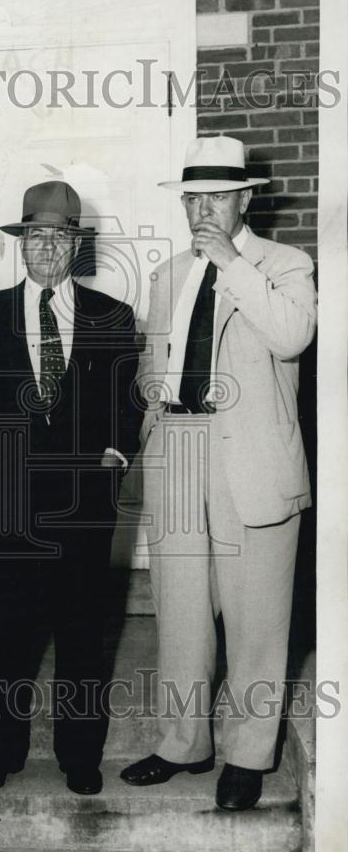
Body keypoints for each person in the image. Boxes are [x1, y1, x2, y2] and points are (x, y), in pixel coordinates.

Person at [120, 136, 317, 811]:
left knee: (257, 615)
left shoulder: (284, 263)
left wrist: (230, 263)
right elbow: (153, 360)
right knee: (178, 612)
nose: (199, 210)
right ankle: (182, 742)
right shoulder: (167, 273)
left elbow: (292, 336)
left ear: (241, 201)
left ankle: (247, 753)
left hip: (249, 456)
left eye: (213, 198)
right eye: (190, 198)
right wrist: (152, 420)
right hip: (176, 446)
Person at [0, 180, 140, 795]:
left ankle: (79, 755)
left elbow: (126, 402)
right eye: (36, 236)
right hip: (3, 497)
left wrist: (113, 454)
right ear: (21, 243)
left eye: (59, 237)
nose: (46, 248)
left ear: (75, 246)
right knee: (1, 631)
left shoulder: (113, 315)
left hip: (82, 498)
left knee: (82, 631)